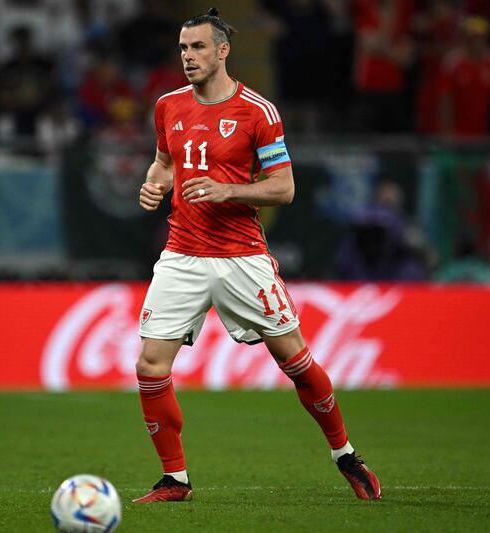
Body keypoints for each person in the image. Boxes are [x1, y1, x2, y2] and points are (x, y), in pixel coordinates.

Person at [133, 8, 381, 504]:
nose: (188, 57)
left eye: (199, 47)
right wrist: (154, 184)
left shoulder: (257, 112)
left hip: (241, 255)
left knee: (293, 358)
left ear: (223, 51)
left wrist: (225, 192)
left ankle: (345, 454)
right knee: (150, 366)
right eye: (183, 48)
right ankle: (174, 479)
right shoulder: (168, 106)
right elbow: (165, 162)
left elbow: (284, 188)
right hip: (182, 252)